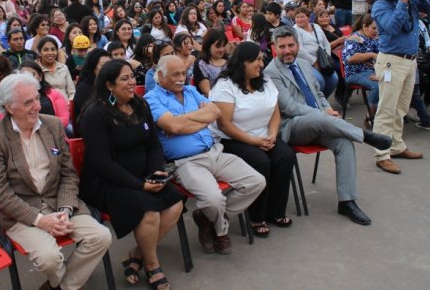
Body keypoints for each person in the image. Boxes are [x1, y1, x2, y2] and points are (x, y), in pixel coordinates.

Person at [0, 74, 112, 290]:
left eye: (36, 98)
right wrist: (40, 220)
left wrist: (65, 209)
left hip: (58, 202)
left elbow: (68, 174)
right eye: (27, 102)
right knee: (49, 258)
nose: (36, 106)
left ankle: (60, 287)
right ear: (8, 107)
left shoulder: (52, 125)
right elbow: (0, 193)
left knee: (101, 236)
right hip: (22, 213)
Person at [264, 27, 389, 224]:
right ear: (274, 48)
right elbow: (289, 106)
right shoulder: (270, 72)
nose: (287, 50)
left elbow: (319, 93)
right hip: (293, 126)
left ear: (297, 45)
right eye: (282, 47)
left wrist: (326, 109)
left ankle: (347, 202)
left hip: (321, 121)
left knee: (344, 142)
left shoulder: (304, 64)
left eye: (291, 45)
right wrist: (323, 114)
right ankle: (365, 136)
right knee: (320, 119)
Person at [145, 55, 265, 255]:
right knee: (213, 200)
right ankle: (220, 230)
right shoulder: (151, 98)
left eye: (184, 73)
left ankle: (206, 218)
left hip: (214, 152)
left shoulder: (191, 91)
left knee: (256, 181)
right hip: (186, 162)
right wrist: (198, 120)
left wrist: (183, 122)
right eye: (175, 74)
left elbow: (216, 112)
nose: (181, 78)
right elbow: (172, 126)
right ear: (160, 75)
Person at [80, 60, 184, 290]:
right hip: (107, 181)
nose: (132, 82)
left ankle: (138, 254)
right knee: (150, 211)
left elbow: (154, 145)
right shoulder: (95, 113)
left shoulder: (139, 105)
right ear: (109, 85)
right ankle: (152, 265)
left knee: (175, 203)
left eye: (132, 77)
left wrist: (155, 172)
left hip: (143, 175)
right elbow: (102, 163)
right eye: (124, 79)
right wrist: (140, 185)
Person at [209, 43, 293, 237]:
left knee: (285, 156)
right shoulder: (225, 85)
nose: (261, 64)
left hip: (263, 135)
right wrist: (254, 142)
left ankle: (276, 211)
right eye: (257, 60)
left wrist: (272, 135)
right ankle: (257, 216)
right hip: (231, 139)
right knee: (261, 162)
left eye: (262, 59)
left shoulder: (264, 80)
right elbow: (225, 125)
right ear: (243, 62)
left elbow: (275, 112)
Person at [370, 0, 430, 174]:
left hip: (409, 61)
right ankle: (382, 155)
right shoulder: (381, 4)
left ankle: (397, 146)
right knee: (386, 110)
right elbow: (391, 28)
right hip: (391, 60)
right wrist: (401, 1)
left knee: (400, 109)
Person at [342, 15, 380, 128]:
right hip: (355, 72)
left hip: (371, 70)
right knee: (379, 85)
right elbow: (350, 58)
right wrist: (371, 55)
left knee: (392, 80)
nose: (376, 31)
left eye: (378, 28)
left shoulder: (374, 38)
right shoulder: (354, 38)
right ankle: (370, 115)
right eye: (374, 28)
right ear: (364, 26)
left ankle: (383, 114)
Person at [293, 7, 338, 98]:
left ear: (309, 18)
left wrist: (326, 58)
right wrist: (314, 62)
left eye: (302, 17)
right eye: (297, 17)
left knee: (334, 79)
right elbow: (300, 51)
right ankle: (317, 102)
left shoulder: (316, 26)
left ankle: (323, 101)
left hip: (321, 59)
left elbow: (326, 44)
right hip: (306, 62)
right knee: (319, 80)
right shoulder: (295, 30)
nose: (299, 19)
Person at [18, 61, 69, 129]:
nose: (28, 78)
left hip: (53, 132)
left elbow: (64, 119)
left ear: (40, 77)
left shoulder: (54, 94)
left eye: (32, 74)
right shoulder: (14, 97)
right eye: (24, 75)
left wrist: (44, 130)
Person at [37, 36, 75, 101]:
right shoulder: (35, 70)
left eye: (53, 49)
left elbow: (72, 91)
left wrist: (69, 103)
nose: (50, 53)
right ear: (39, 53)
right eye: (46, 50)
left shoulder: (63, 67)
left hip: (66, 105)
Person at [194, 28, 229, 97]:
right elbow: (207, 92)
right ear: (208, 45)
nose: (222, 50)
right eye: (218, 46)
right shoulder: (201, 64)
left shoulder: (229, 60)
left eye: (224, 46)